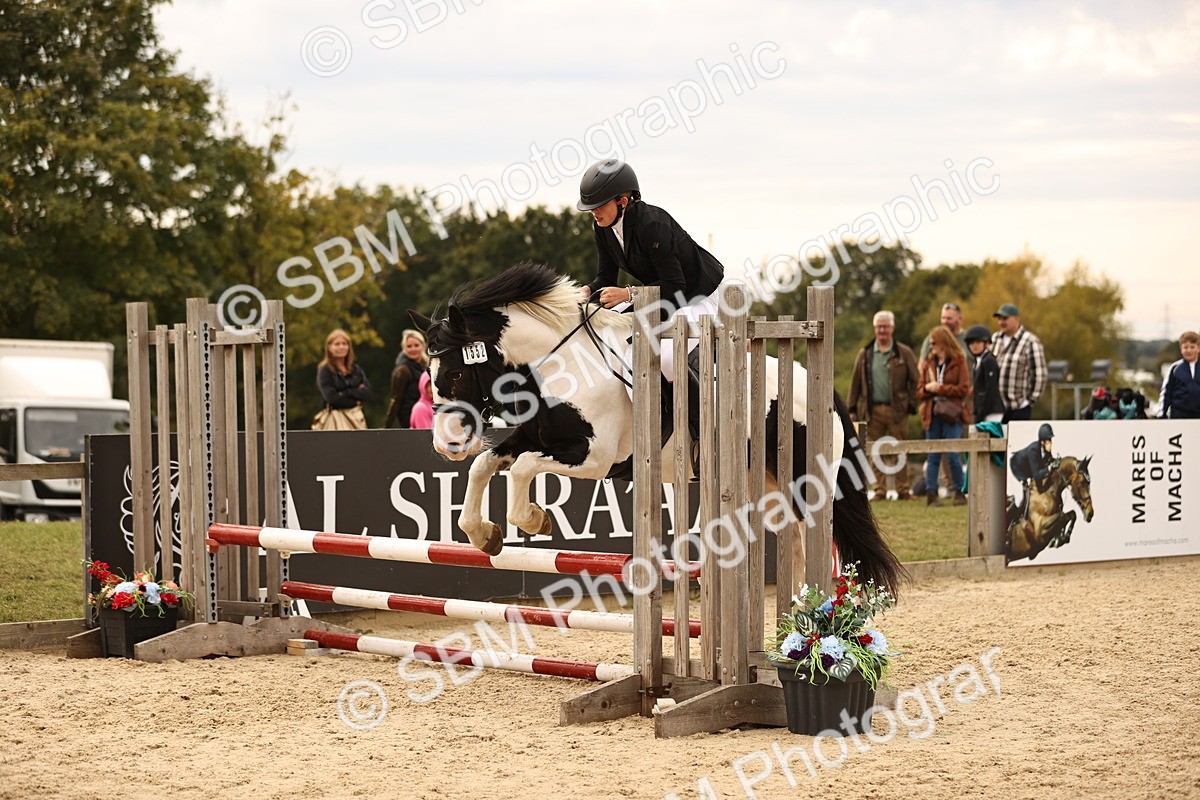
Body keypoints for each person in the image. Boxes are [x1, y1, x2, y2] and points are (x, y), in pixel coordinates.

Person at [576, 159, 725, 474]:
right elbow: (605, 278)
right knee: (610, 334)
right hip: (664, 295)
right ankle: (643, 424)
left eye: (599, 206)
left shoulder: (652, 225)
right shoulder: (603, 228)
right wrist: (587, 292)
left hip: (702, 295)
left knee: (666, 356)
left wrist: (629, 295)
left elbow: (675, 287)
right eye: (591, 208)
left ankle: (704, 434)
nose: (594, 213)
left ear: (623, 201)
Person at [848, 310, 920, 500]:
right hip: (872, 411)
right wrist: (852, 408)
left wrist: (911, 404)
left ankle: (903, 489)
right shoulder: (865, 354)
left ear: (892, 328)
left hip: (898, 410)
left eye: (885, 326)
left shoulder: (904, 352)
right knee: (874, 450)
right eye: (879, 327)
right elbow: (855, 383)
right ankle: (879, 489)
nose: (882, 330)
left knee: (900, 449)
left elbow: (916, 380)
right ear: (875, 328)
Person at [917, 326, 972, 506]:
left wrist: (942, 389)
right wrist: (927, 388)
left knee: (953, 454)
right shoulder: (928, 363)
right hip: (932, 413)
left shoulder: (959, 361)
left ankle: (959, 492)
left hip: (951, 414)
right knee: (932, 455)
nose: (931, 346)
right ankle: (931, 493)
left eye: (934, 343)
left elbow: (964, 389)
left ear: (943, 342)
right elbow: (919, 391)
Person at [990, 303, 1047, 423]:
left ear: (1017, 319)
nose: (1001, 322)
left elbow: (1040, 375)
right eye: (999, 319)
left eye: (1005, 318)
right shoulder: (995, 339)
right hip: (995, 410)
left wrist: (1029, 401)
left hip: (1018, 409)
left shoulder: (1030, 341)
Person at [317, 329, 370, 429]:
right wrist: (355, 399)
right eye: (337, 344)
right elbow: (331, 398)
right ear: (329, 347)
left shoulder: (356, 369)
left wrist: (344, 393)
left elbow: (367, 393)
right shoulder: (325, 371)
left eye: (344, 344)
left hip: (356, 419)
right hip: (334, 420)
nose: (341, 347)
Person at [1009, 423, 1056, 521]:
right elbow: (1037, 475)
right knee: (1020, 497)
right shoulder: (1033, 451)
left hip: (1027, 470)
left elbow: (1050, 461)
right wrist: (1049, 469)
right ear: (1042, 442)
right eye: (1048, 441)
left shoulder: (1046, 451)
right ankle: (1012, 521)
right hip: (1016, 469)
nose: (1051, 444)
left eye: (1050, 441)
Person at [385, 329, 429, 429]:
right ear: (404, 348)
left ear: (423, 346)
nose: (413, 349)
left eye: (416, 345)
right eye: (409, 346)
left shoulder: (428, 366)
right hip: (410, 417)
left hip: (428, 413)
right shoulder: (402, 371)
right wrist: (386, 428)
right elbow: (396, 400)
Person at [919, 303, 975, 374]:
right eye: (943, 318)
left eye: (949, 318)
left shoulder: (970, 338)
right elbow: (921, 365)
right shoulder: (932, 339)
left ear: (960, 319)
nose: (945, 321)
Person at [964, 324, 1004, 422]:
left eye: (978, 342)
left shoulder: (988, 360)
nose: (974, 346)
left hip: (992, 411)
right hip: (982, 410)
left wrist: (981, 413)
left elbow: (990, 389)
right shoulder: (978, 361)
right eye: (971, 343)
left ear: (986, 343)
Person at [1159, 330, 1200, 419]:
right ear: (1181, 349)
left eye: (1192, 347)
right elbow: (1166, 392)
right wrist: (1161, 414)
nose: (1189, 350)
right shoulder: (1174, 368)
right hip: (1178, 416)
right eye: (1185, 347)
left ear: (1198, 348)